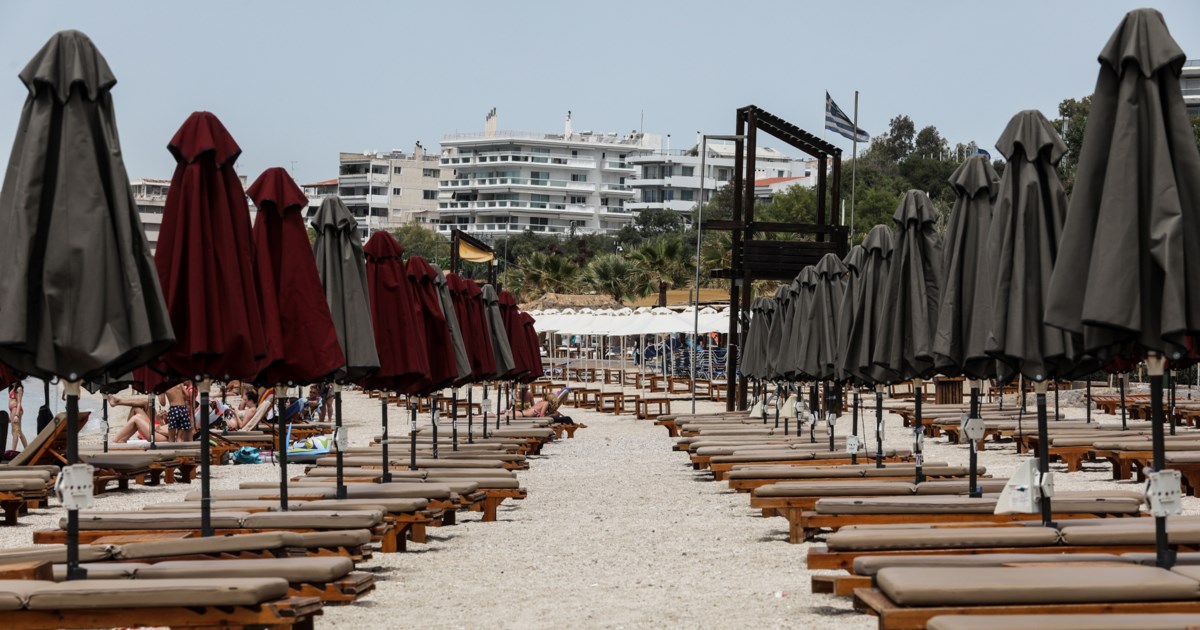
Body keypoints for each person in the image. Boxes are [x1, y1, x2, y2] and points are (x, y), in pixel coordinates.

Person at [8, 381, 25, 451]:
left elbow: (19, 403)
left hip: (16, 410)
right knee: (18, 432)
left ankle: (12, 451)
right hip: (12, 410)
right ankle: (27, 449)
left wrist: (16, 415)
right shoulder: (13, 387)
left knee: (15, 431)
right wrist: (10, 414)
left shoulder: (19, 388)